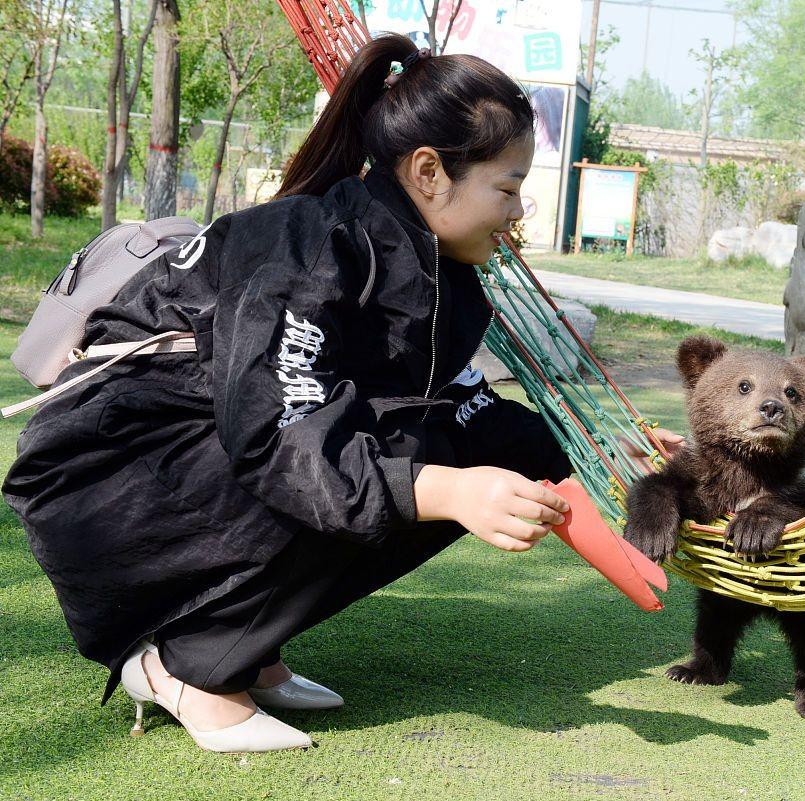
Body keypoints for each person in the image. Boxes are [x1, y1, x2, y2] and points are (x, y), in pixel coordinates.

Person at [3, 34, 683, 754]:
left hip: (178, 475)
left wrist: (612, 450)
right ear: (430, 172)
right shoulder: (311, 246)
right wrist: (445, 489)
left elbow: (472, 416)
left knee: (449, 451)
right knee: (409, 457)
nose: (516, 213)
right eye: (508, 188)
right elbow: (276, 434)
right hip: (108, 491)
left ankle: (247, 645)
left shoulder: (427, 265)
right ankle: (189, 664)